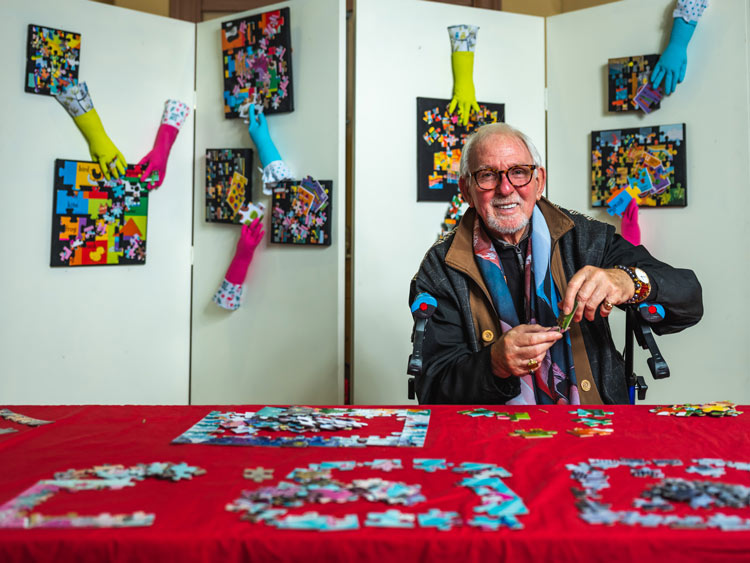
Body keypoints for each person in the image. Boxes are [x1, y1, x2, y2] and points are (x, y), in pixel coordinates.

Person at [409, 123, 702, 405]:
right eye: (487, 175)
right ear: (466, 190)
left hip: (593, 430)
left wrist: (628, 281)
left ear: (539, 182)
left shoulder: (587, 239)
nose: (506, 188)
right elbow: (432, 390)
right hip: (491, 440)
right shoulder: (441, 268)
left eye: (519, 172)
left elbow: (689, 299)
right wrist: (494, 364)